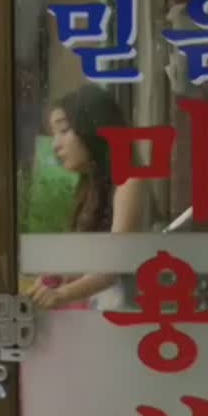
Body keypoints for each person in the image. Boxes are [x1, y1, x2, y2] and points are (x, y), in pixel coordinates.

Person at [27, 84, 151, 310]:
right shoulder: (91, 185)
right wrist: (52, 277)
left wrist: (62, 294)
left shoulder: (129, 181)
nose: (55, 145)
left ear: (93, 129)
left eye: (64, 131)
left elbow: (113, 267)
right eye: (54, 134)